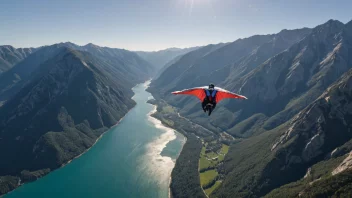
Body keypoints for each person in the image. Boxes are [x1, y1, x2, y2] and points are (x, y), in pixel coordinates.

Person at [171, 84, 247, 116]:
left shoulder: (204, 89)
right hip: (212, 102)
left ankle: (205, 108)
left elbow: (190, 90)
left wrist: (179, 92)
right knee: (211, 105)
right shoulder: (217, 90)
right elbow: (230, 94)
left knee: (204, 103)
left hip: (207, 101)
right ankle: (208, 109)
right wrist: (240, 96)